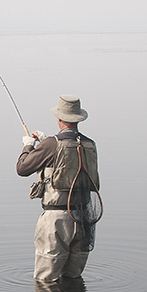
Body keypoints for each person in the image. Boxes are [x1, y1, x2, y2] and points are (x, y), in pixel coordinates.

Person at [16, 95, 100, 282]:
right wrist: (46, 142)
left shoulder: (52, 144)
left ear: (59, 119)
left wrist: (28, 146)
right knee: (73, 279)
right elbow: (69, 162)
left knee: (46, 282)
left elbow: (22, 168)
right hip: (83, 219)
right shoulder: (89, 144)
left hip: (56, 221)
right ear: (78, 119)